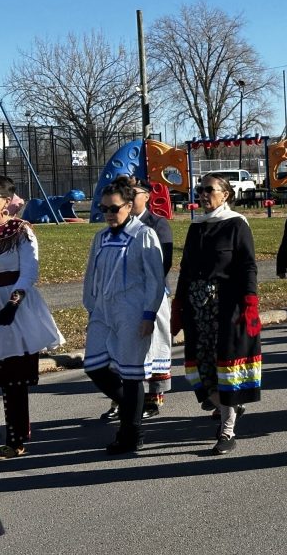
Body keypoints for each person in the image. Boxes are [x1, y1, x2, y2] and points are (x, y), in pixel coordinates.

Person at [172, 173, 261, 455]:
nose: (202, 194)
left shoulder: (236, 224)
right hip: (197, 309)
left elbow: (247, 266)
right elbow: (186, 269)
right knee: (201, 369)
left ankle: (227, 431)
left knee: (225, 370)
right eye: (200, 190)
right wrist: (178, 304)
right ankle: (227, 405)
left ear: (226, 194)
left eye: (209, 190)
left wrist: (250, 302)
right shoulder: (197, 226)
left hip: (225, 308)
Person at [83, 178, 168, 455]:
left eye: (114, 208)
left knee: (132, 374)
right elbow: (91, 276)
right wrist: (91, 306)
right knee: (94, 366)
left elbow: (155, 279)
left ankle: (131, 433)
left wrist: (148, 313)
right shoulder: (101, 237)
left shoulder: (143, 234)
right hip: (103, 311)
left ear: (129, 206)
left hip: (133, 309)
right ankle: (134, 408)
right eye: (104, 208)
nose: (108, 214)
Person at [99, 176, 174, 422]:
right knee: (118, 352)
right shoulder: (113, 227)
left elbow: (162, 264)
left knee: (151, 346)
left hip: (149, 295)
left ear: (146, 196)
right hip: (119, 301)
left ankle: (153, 397)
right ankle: (121, 400)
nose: (131, 195)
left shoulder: (156, 224)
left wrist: (146, 300)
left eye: (135, 191)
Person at [0, 176, 64, 459]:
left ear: (5, 201)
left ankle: (16, 440)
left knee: (13, 378)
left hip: (14, 304)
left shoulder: (20, 231)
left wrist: (14, 302)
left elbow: (29, 271)